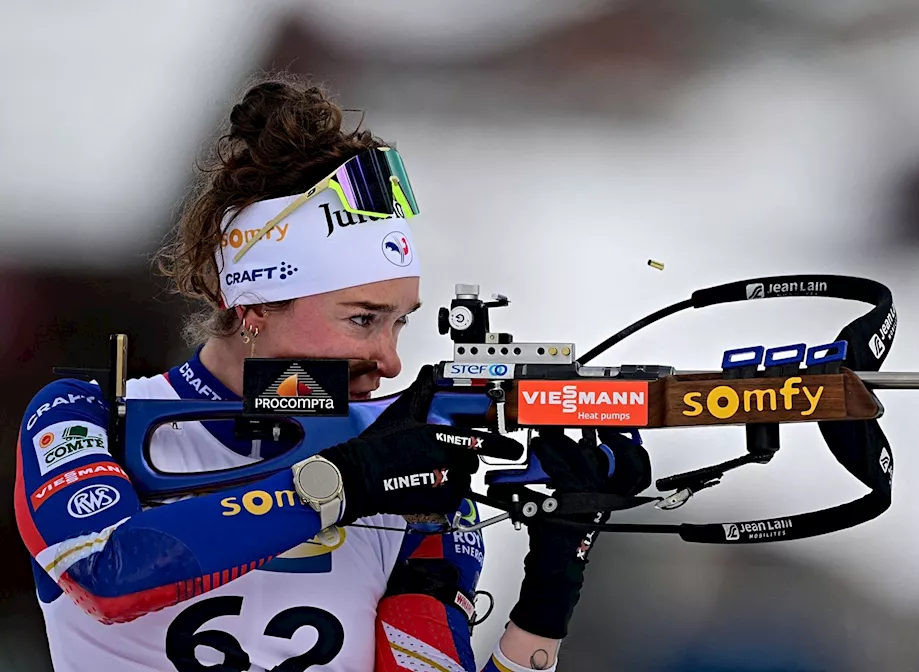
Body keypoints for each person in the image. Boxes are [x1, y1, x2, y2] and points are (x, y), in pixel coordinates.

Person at [13, 74, 650, 672]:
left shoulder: (401, 446)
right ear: (256, 305)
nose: (391, 360)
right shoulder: (90, 417)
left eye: (399, 322)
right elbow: (109, 572)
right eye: (363, 319)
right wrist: (348, 481)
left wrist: (552, 579)